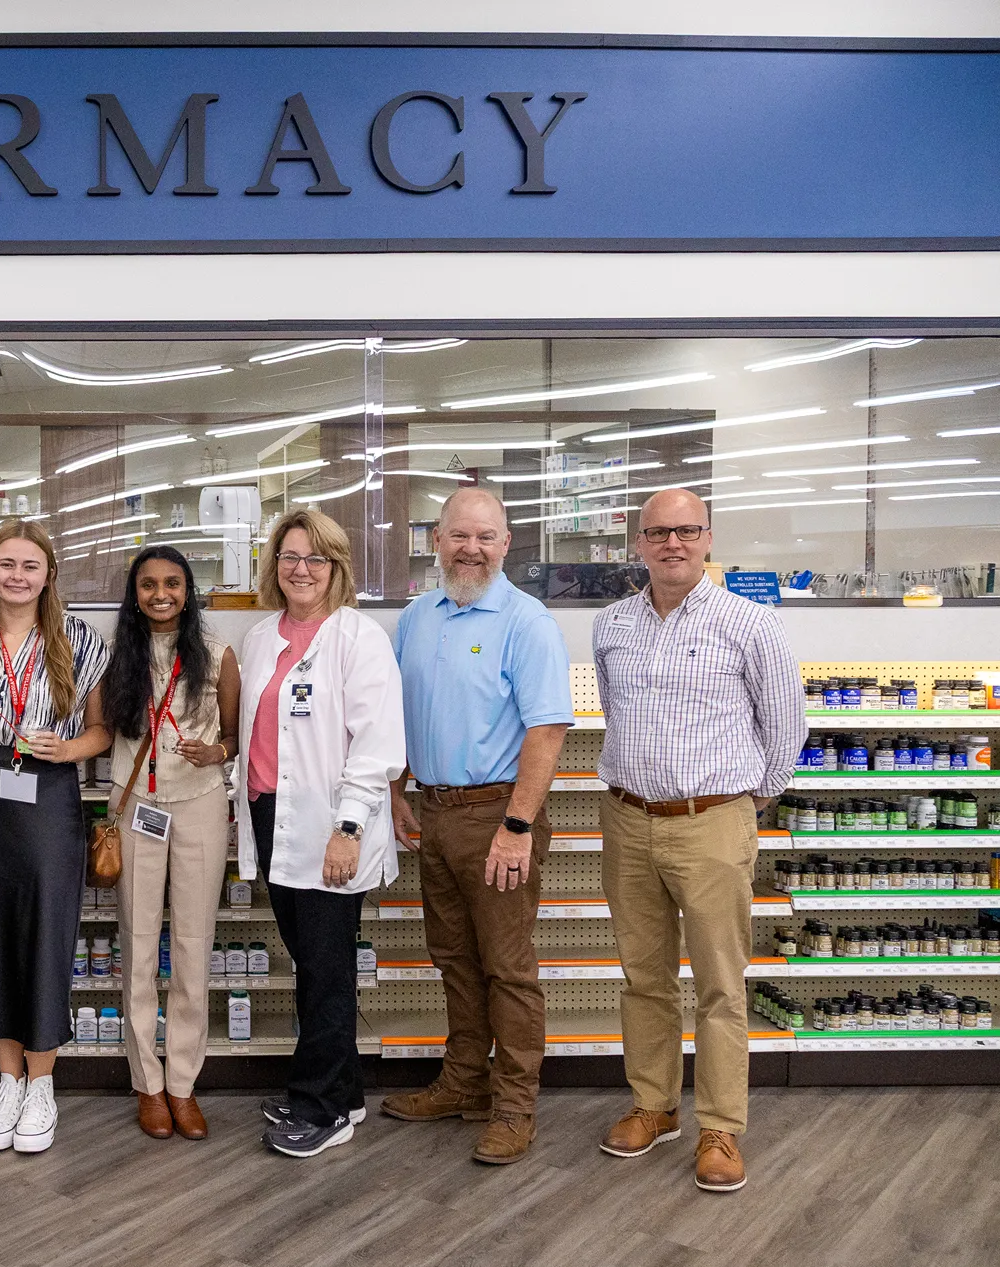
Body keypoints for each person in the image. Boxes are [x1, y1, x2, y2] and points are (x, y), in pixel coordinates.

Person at [593, 489, 803, 1193]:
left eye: (685, 530)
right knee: (643, 976)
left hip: (712, 819)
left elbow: (785, 733)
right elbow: (615, 712)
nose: (671, 542)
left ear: (707, 536)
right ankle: (654, 1105)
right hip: (626, 817)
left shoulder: (751, 623)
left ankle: (720, 1126)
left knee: (720, 983)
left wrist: (740, 803)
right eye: (658, 531)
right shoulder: (612, 625)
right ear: (639, 541)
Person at [383, 488, 573, 1165]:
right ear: (436, 540)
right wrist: (398, 789)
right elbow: (405, 713)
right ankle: (464, 1082)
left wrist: (517, 824)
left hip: (498, 814)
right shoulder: (416, 617)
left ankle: (514, 1105)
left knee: (508, 967)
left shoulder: (527, 621)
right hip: (434, 812)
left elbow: (547, 730)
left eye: (486, 537)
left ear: (507, 541)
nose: (472, 548)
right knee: (454, 958)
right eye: (460, 535)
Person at [236, 507, 404, 1159]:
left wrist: (350, 825)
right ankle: (347, 1091)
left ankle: (322, 1106)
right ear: (273, 565)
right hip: (271, 815)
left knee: (327, 970)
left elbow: (377, 743)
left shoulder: (358, 638)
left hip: (334, 824)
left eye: (315, 558)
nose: (300, 569)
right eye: (289, 557)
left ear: (336, 567)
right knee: (311, 961)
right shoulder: (258, 637)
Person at [0, 519, 110, 1153]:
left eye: (29, 566)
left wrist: (68, 750)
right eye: (5, 564)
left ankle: (43, 1084)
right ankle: (7, 1081)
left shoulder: (79, 640)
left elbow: (103, 730)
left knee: (43, 935)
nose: (17, 576)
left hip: (48, 793)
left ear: (48, 575)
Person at [102, 546, 240, 1142]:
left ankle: (182, 1082)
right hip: (135, 808)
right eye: (149, 584)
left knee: (191, 944)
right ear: (134, 594)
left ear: (189, 590)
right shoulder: (115, 661)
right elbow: (98, 729)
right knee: (136, 943)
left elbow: (234, 737)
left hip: (200, 805)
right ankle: (147, 1084)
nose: (161, 593)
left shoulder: (218, 657)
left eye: (173, 583)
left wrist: (220, 752)